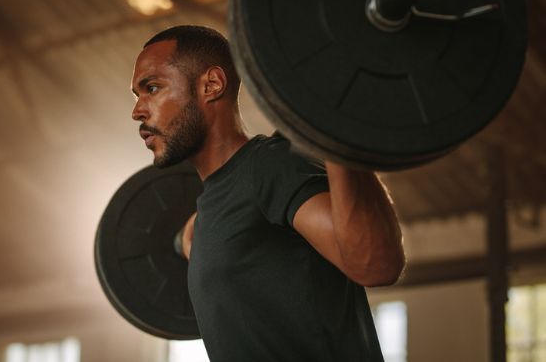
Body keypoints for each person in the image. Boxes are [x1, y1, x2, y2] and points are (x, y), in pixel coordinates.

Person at [131, 25, 405, 362]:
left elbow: (376, 265)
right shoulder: (209, 213)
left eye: (152, 88)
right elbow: (203, 237)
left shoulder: (271, 167)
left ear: (211, 85)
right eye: (137, 95)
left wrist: (334, 125)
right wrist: (183, 239)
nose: (138, 111)